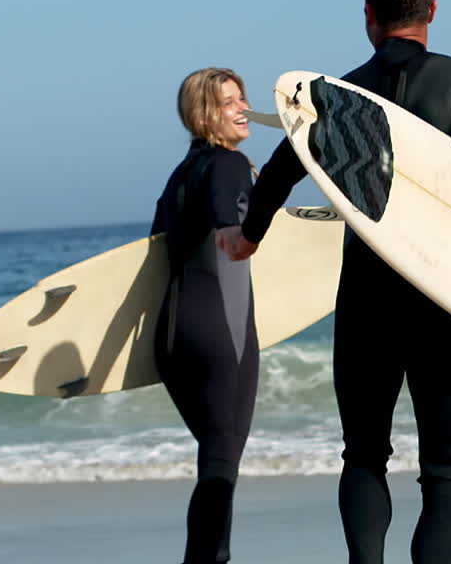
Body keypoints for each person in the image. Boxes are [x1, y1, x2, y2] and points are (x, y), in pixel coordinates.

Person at [219, 0, 451, 563]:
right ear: (432, 12)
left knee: (364, 453)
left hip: (366, 297)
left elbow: (284, 170)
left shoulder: (337, 97)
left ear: (368, 16)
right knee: (445, 469)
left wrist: (249, 236)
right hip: (442, 298)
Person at [151, 67, 257, 564]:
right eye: (228, 102)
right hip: (219, 329)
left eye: (242, 98)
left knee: (216, 460)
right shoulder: (228, 166)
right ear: (203, 115)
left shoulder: (177, 177)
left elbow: (152, 254)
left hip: (171, 336)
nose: (242, 109)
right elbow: (229, 228)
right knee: (220, 464)